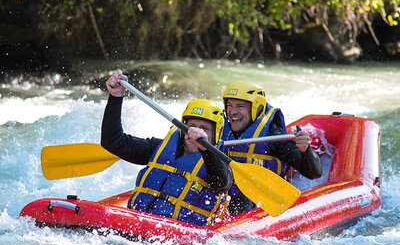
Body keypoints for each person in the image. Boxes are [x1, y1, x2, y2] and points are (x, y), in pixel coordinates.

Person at [101, 70, 233, 226]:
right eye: (191, 126)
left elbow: (222, 183)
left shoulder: (220, 164)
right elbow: (112, 141)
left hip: (182, 239)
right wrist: (116, 97)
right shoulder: (158, 148)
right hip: (139, 226)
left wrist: (205, 148)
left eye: (204, 129)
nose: (195, 132)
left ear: (216, 134)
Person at [221, 80, 322, 216]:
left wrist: (306, 150)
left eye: (240, 106)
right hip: (223, 204)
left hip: (259, 209)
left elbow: (314, 173)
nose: (232, 112)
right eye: (229, 105)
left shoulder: (273, 135)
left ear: (256, 108)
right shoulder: (218, 130)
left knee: (244, 197)